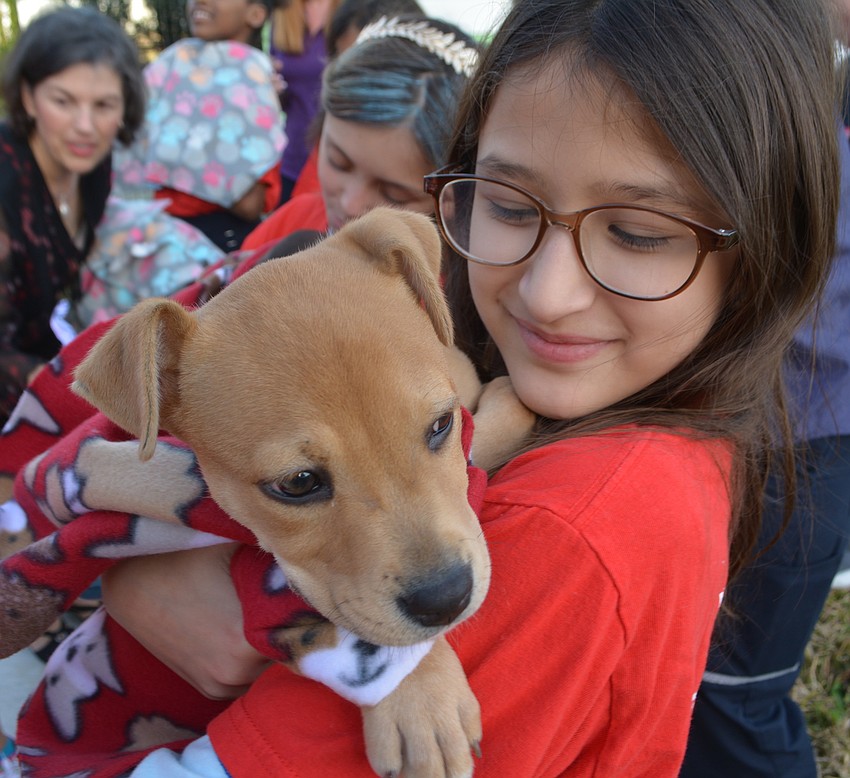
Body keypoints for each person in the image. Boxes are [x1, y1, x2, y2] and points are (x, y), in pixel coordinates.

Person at [92, 0, 839, 775]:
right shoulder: (593, 414)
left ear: (772, 239)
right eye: (510, 206)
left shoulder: (570, 530)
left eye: (638, 232)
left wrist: (368, 651)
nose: (549, 295)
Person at [679, 6, 850, 774]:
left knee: (735, 690)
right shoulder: (811, 103)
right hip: (751, 434)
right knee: (706, 681)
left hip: (809, 448)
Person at [0, 6, 145, 424]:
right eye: (63, 101)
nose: (86, 126)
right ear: (28, 97)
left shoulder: (93, 167)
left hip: (48, 358)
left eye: (103, 105)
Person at [112, 0, 285, 252]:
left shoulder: (255, 80)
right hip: (161, 237)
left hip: (222, 241)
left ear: (256, 14)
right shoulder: (170, 64)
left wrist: (175, 163)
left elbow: (249, 204)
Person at [269, 0, 341, 205]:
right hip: (292, 155)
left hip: (336, 156)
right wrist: (272, 90)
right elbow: (282, 100)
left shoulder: (350, 11)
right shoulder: (282, 13)